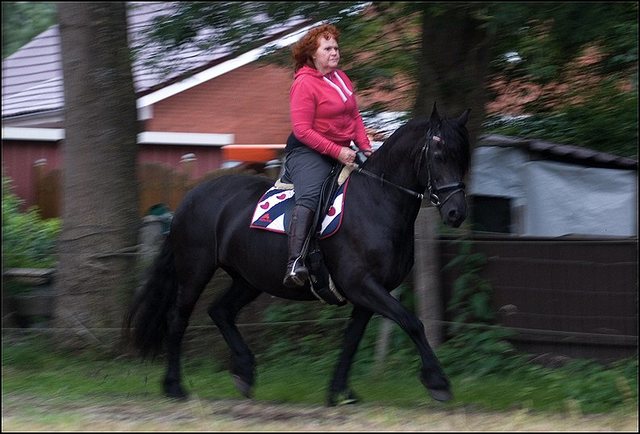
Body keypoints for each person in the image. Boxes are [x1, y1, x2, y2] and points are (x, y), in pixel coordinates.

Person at [282, 24, 373, 288]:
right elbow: (301, 130)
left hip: (343, 149)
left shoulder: (341, 79)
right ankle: (295, 261)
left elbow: (354, 116)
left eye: (336, 48)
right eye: (328, 48)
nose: (335, 52)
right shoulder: (304, 83)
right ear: (312, 54)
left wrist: (365, 148)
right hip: (307, 151)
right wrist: (338, 150)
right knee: (311, 194)